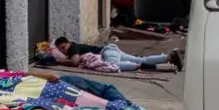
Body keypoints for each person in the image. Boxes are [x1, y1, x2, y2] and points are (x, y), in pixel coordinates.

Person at [53, 36, 183, 73]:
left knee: (113, 65)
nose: (64, 51)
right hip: (112, 49)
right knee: (141, 58)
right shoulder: (71, 48)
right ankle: (169, 57)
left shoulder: (73, 47)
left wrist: (59, 61)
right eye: (61, 49)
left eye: (64, 47)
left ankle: (137, 66)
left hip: (107, 52)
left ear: (68, 43)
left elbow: (75, 62)